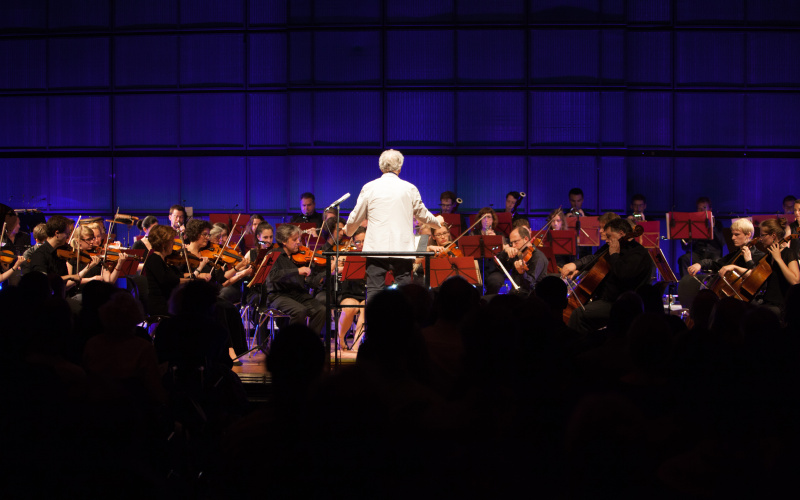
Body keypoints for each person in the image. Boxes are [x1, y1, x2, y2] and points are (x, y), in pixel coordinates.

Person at [344, 149, 444, 302]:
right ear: (400, 168)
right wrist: (437, 222)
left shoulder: (369, 187)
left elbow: (356, 215)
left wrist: (348, 231)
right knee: (405, 292)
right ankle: (404, 325)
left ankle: (373, 325)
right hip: (401, 248)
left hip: (376, 248)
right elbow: (422, 214)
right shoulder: (409, 188)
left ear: (381, 167)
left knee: (374, 290)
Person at [560, 218, 652, 333]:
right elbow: (594, 258)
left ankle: (576, 347)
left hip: (621, 304)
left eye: (609, 236)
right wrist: (576, 265)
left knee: (578, 314)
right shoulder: (613, 247)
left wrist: (614, 254)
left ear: (621, 234)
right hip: (605, 300)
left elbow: (622, 274)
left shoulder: (638, 254)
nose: (606, 240)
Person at [719, 218, 799, 317]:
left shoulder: (788, 253)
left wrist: (778, 259)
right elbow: (755, 274)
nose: (760, 238)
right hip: (767, 303)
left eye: (762, 235)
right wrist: (734, 267)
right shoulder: (768, 256)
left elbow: (795, 281)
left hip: (781, 306)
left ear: (773, 236)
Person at [265, 224, 326, 333]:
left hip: (297, 294)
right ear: (284, 241)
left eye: (299, 238)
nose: (298, 241)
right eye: (294, 239)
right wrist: (297, 271)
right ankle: (292, 344)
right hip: (278, 295)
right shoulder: (273, 254)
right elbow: (272, 276)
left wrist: (326, 272)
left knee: (321, 310)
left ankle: (310, 343)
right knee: (300, 310)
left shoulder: (301, 256)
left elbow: (311, 282)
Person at [27, 215, 81, 290]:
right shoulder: (40, 254)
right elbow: (43, 280)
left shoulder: (60, 253)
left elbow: (63, 285)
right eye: (67, 234)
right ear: (57, 233)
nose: (68, 237)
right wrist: (69, 277)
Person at [677, 197, 726, 278]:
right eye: (699, 209)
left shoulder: (718, 223)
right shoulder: (693, 223)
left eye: (704, 208)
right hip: (698, 254)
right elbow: (685, 247)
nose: (702, 211)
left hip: (713, 255)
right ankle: (686, 285)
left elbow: (722, 242)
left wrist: (713, 227)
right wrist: (689, 238)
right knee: (684, 259)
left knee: (718, 263)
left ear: (710, 209)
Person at [141, 224, 184, 316]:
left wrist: (196, 275)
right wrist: (192, 280)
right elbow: (170, 281)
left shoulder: (164, 259)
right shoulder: (154, 259)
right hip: (160, 304)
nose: (174, 244)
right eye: (172, 241)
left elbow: (176, 276)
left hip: (167, 301)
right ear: (164, 244)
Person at [498, 225, 548, 293]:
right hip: (515, 294)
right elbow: (499, 266)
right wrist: (505, 250)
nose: (513, 246)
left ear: (526, 239)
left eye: (516, 242)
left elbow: (529, 285)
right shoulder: (518, 253)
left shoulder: (538, 257)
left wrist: (522, 273)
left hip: (530, 298)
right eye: (511, 243)